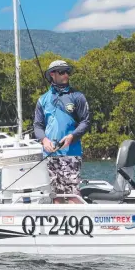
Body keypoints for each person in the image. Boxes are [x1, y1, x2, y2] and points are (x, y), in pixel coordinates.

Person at [33, 60, 90, 203]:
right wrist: (44, 140)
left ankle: (78, 224)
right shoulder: (43, 100)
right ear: (52, 74)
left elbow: (86, 121)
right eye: (62, 72)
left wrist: (72, 136)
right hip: (50, 154)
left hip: (71, 152)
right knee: (56, 195)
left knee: (72, 194)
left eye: (67, 72)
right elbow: (37, 126)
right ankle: (61, 224)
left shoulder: (77, 96)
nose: (66, 75)